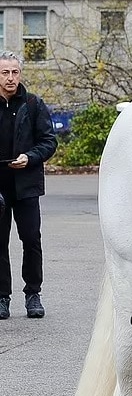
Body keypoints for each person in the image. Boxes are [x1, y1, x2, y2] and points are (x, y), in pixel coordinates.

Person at [0, 51, 57, 320]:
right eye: (4, 72)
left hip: (27, 185)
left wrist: (30, 157)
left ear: (20, 74)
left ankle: (33, 294)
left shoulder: (34, 104)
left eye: (14, 72)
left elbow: (49, 141)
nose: (10, 78)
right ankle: (2, 297)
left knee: (31, 240)